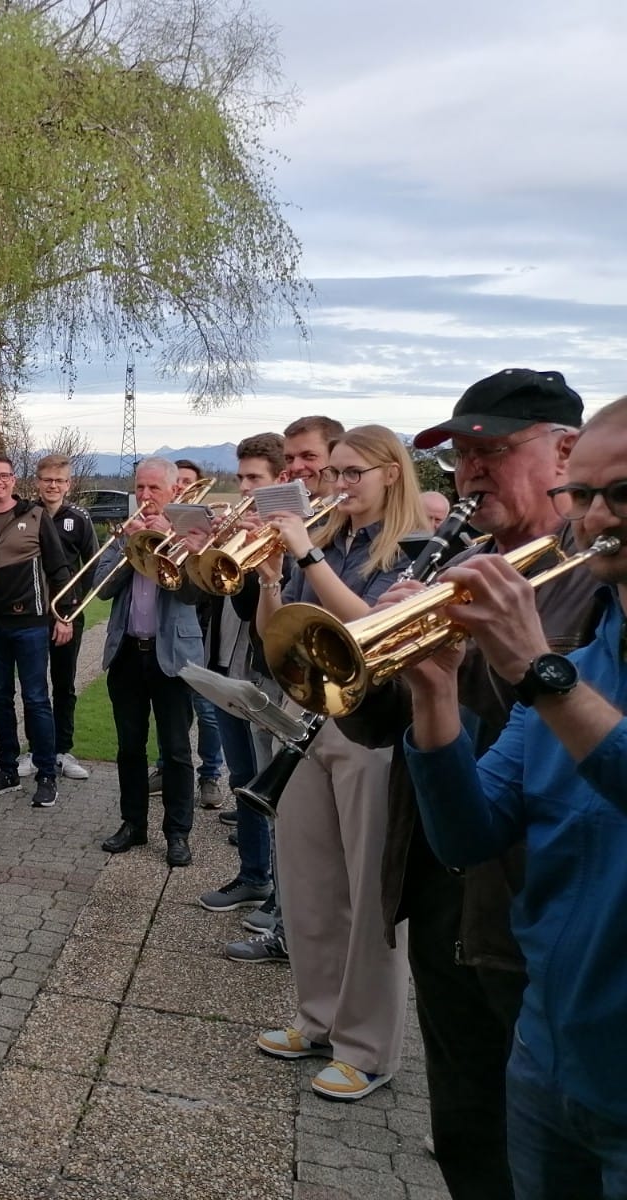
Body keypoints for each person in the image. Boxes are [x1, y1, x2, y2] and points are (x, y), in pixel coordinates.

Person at [346, 368, 591, 1198]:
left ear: (566, 451)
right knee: (464, 1121)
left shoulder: (593, 578)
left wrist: (480, 651)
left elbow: (562, 724)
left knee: (544, 1145)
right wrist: (383, 656)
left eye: (493, 449)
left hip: (533, 896)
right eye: (460, 455)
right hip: (443, 869)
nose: (471, 470)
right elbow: (373, 726)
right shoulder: (467, 559)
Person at [402, 394, 627, 1200]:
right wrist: (430, 699)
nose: (599, 517)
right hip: (549, 1045)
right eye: (587, 497)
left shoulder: (566, 651)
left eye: (621, 494)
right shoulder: (596, 649)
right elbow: (471, 832)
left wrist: (535, 668)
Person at [252, 425, 426, 1101]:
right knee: (310, 882)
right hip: (312, 721)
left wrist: (307, 558)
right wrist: (273, 577)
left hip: (374, 731)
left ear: (390, 473)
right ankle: (317, 1018)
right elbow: (282, 629)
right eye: (338, 472)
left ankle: (368, 1047)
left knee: (369, 895)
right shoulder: (329, 540)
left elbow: (373, 635)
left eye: (354, 473)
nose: (340, 484)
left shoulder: (410, 549)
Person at [221, 413, 345, 963]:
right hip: (283, 675)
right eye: (291, 462)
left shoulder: (322, 527)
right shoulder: (298, 525)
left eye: (307, 460)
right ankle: (290, 924)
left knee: (321, 836)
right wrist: (263, 571)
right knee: (294, 821)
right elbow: (258, 616)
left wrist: (297, 554)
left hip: (327, 695)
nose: (298, 471)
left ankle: (299, 927)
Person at [93, 457, 206, 865]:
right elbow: (101, 590)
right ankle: (133, 824)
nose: (144, 496)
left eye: (154, 489)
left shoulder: (190, 536)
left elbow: (195, 596)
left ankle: (177, 832)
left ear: (174, 491)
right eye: (140, 488)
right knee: (129, 747)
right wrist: (129, 547)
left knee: (176, 750)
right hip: (127, 653)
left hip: (173, 657)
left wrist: (174, 547)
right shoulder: (123, 535)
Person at [195, 433, 287, 916]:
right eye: (242, 476)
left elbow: (258, 608)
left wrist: (256, 557)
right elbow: (201, 599)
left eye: (255, 478)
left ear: (279, 481)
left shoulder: (291, 536)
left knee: (278, 791)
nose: (245, 487)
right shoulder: (241, 530)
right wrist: (202, 553)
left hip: (265, 676)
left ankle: (281, 895)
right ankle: (254, 877)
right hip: (225, 668)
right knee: (245, 782)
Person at [0, 453, 73, 809]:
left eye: (4, 476)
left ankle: (46, 775)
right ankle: (7, 771)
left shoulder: (34, 516)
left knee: (37, 700)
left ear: (13, 480)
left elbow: (59, 571)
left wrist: (64, 615)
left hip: (30, 626)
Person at [21, 454, 97, 780]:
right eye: (47, 480)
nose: (53, 486)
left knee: (64, 685)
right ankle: (36, 750)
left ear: (69, 484)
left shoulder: (79, 519)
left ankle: (63, 751)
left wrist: (70, 611)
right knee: (33, 686)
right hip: (31, 615)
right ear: (37, 482)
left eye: (59, 481)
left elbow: (92, 567)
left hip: (66, 617)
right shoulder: (25, 514)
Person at [157, 458, 226, 806]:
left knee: (207, 711)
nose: (181, 489)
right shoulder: (161, 524)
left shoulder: (207, 526)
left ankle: (210, 776)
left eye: (188, 484)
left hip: (204, 628)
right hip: (173, 633)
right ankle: (165, 766)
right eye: (177, 483)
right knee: (173, 711)